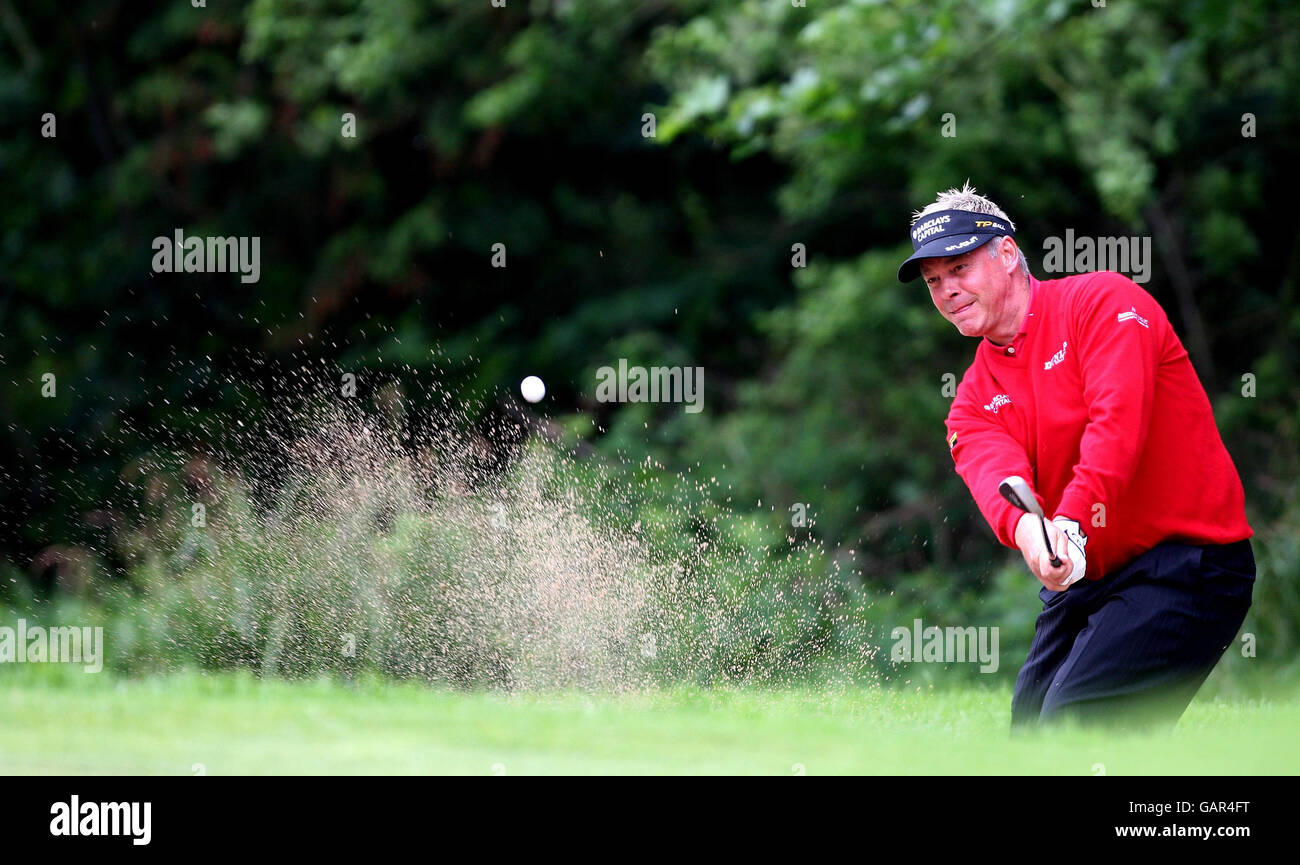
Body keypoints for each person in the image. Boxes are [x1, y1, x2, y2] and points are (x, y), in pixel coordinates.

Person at [898, 183, 1255, 730]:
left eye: (960, 268)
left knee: (1071, 726)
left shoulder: (1104, 302)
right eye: (934, 282)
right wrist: (1033, 537)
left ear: (1009, 254)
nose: (947, 290)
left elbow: (1118, 426)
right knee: (1029, 732)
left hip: (1188, 564)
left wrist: (1073, 521)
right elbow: (1000, 482)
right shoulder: (970, 401)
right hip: (1090, 577)